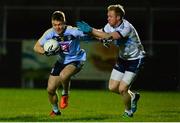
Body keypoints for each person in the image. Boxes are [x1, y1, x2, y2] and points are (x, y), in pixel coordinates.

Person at [76, 4, 145, 118]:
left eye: (110, 16)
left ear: (118, 17)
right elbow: (101, 34)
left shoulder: (126, 27)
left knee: (123, 89)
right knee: (112, 87)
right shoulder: (109, 25)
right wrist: (89, 34)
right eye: (108, 16)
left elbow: (108, 36)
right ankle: (132, 96)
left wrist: (91, 30)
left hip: (135, 59)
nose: (108, 18)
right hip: (123, 59)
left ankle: (128, 112)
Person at [34, 10, 87, 116]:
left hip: (77, 59)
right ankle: (55, 111)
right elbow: (36, 47)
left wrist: (102, 37)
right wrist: (45, 52)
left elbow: (91, 34)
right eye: (54, 25)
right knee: (50, 90)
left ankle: (65, 94)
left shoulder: (73, 31)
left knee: (64, 75)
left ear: (64, 22)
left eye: (60, 24)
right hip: (61, 61)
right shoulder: (50, 33)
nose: (57, 27)